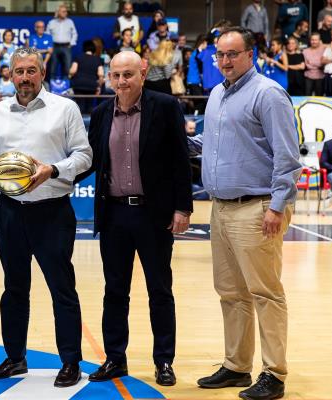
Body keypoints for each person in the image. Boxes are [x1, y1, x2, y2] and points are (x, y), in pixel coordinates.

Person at [197, 27, 301, 400]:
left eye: (232, 54)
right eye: (219, 55)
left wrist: (276, 206)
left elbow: (288, 158)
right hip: (220, 209)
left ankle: (273, 373)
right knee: (230, 292)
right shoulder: (215, 94)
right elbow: (208, 142)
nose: (224, 61)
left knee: (265, 293)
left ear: (250, 55)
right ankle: (237, 366)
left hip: (257, 208)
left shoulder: (268, 94)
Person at [0, 47, 92, 388]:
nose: (25, 78)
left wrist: (53, 169)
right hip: (10, 211)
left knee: (62, 288)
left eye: (31, 71)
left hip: (52, 211)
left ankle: (70, 361)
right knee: (14, 288)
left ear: (42, 74)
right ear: (10, 75)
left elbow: (84, 155)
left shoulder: (65, 108)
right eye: (19, 72)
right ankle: (15, 358)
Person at [81, 49, 192, 388]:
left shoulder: (165, 106)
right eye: (115, 75)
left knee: (160, 290)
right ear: (108, 77)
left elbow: (179, 160)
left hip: (152, 213)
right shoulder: (101, 113)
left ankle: (164, 361)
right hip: (114, 214)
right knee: (115, 291)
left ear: (142, 74)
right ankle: (115, 358)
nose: (121, 81)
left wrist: (182, 208)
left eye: (128, 74)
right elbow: (88, 161)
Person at [69, 40, 104, 113]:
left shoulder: (78, 57)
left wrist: (70, 77)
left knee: (79, 108)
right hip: (91, 86)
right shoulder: (98, 59)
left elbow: (73, 71)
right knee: (90, 108)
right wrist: (99, 87)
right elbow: (101, 74)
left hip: (79, 85)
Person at [47, 3, 78, 80]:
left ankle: (65, 88)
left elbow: (75, 34)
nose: (65, 13)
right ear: (58, 12)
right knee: (52, 68)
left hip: (66, 47)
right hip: (55, 47)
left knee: (67, 69)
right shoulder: (52, 22)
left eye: (66, 11)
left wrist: (71, 43)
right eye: (63, 11)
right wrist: (49, 45)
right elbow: (47, 35)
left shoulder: (70, 22)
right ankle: (52, 89)